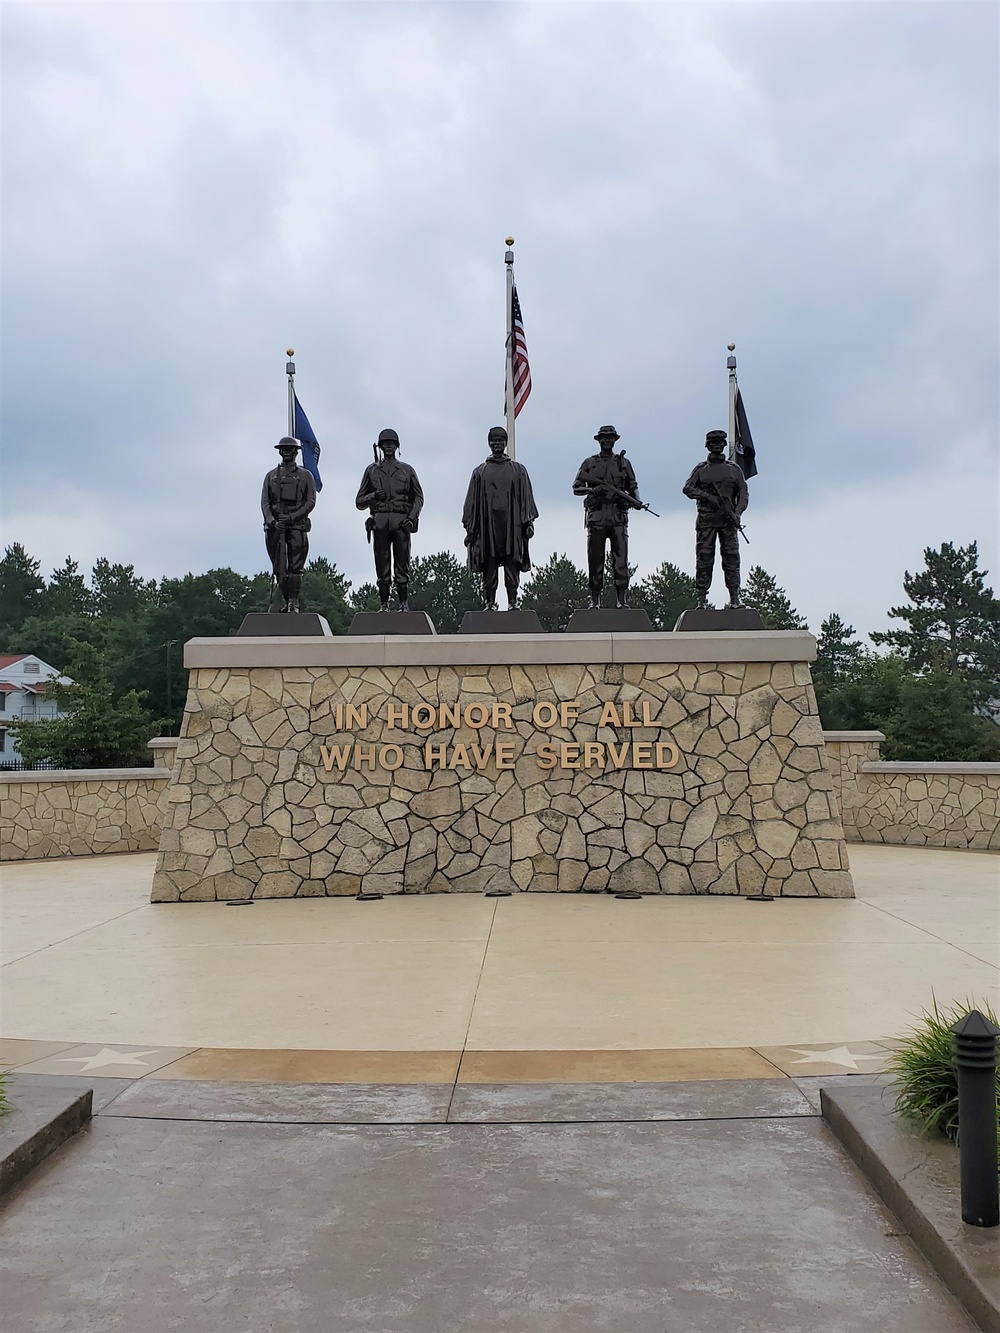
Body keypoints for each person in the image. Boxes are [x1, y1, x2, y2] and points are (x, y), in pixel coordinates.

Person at [462, 426, 538, 610]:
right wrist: (470, 529)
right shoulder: (479, 472)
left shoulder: (518, 470)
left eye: (500, 441)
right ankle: (490, 602)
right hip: (488, 527)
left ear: (505, 443)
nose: (497, 444)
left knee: (512, 564)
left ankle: (513, 602)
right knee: (490, 564)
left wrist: (528, 522)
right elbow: (471, 502)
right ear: (489, 444)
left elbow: (526, 498)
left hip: (511, 527)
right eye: (494, 441)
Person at [572, 425, 642, 608]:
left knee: (621, 559)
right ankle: (595, 599)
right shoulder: (589, 463)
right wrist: (593, 490)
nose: (607, 441)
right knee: (595, 559)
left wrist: (636, 501)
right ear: (599, 441)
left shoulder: (624, 463)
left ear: (615, 440)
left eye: (610, 438)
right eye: (604, 438)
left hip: (618, 516)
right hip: (596, 517)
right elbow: (576, 487)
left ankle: (622, 599)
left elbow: (633, 486)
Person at [355, 429, 424, 611]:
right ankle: (384, 605)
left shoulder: (407, 470)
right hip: (380, 521)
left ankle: (403, 604)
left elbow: (418, 497)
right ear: (380, 447)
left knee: (402, 565)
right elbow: (359, 501)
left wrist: (411, 517)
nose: (388, 447)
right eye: (385, 444)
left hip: (401, 521)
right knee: (382, 565)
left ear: (397, 446)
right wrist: (373, 496)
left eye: (391, 444)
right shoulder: (371, 471)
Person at [682, 429, 748, 609]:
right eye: (713, 443)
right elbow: (688, 489)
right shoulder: (701, 469)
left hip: (728, 521)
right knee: (704, 557)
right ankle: (701, 599)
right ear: (708, 446)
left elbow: (743, 493)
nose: (717, 446)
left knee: (732, 557)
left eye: (720, 443)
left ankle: (734, 597)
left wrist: (738, 513)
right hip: (706, 520)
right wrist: (707, 497)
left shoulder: (734, 470)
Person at [261, 437, 316, 613]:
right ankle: (285, 600)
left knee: (295, 566)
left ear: (296, 452)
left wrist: (292, 517)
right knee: (279, 567)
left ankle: (294, 602)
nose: (286, 452)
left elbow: (310, 502)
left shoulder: (306, 476)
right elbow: (265, 502)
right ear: (279, 451)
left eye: (290, 449)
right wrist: (272, 521)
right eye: (283, 449)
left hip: (297, 526)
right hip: (275, 528)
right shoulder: (271, 476)